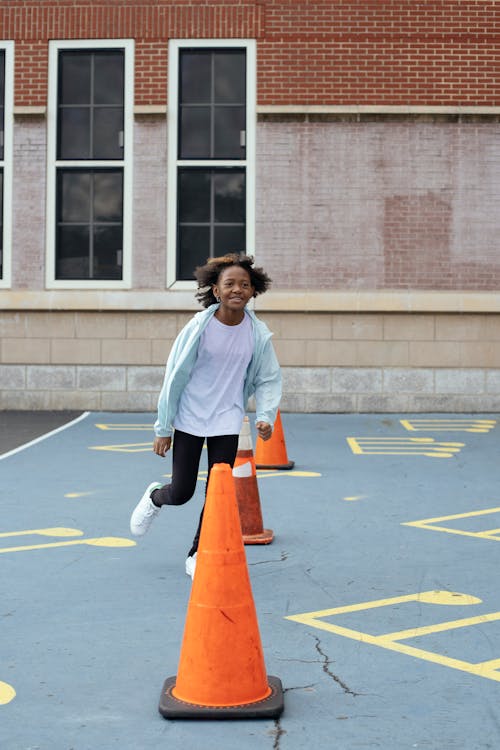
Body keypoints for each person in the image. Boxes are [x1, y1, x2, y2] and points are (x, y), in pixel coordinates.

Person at [130, 252, 282, 579]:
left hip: (227, 420)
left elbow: (268, 378)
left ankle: (198, 550)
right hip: (190, 417)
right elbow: (175, 376)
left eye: (245, 284)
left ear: (253, 291)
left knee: (218, 494)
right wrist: (163, 427)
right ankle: (156, 497)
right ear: (216, 289)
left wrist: (266, 415)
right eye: (229, 284)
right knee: (182, 492)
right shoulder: (199, 328)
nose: (237, 289)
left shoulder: (258, 335)